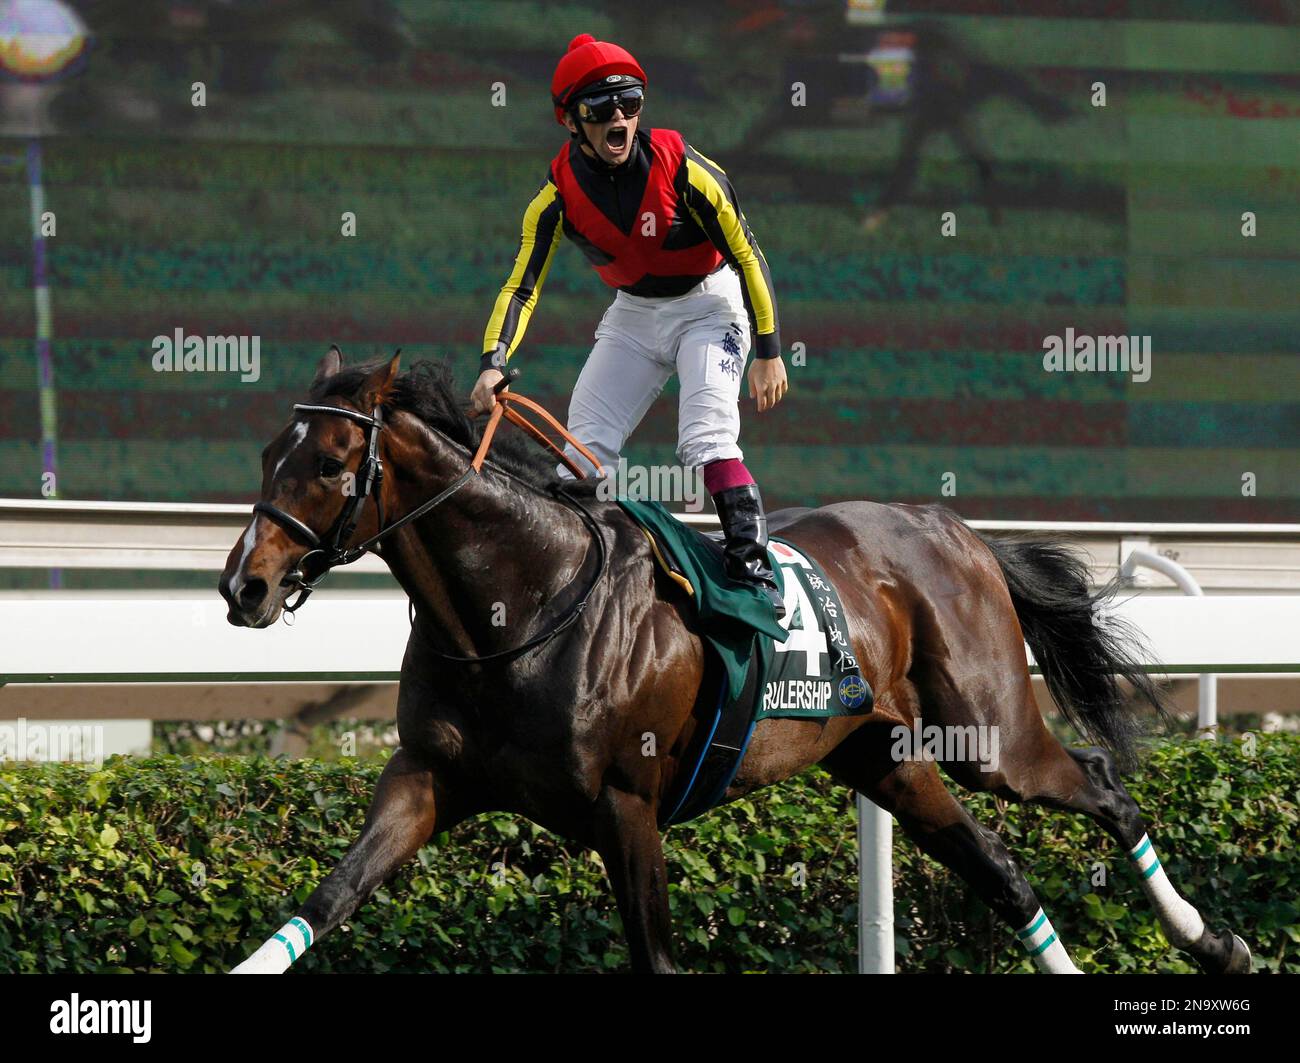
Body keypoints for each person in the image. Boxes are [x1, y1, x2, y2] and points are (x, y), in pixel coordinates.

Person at [469, 34, 789, 617]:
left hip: (710, 306)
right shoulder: (555, 196)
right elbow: (522, 284)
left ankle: (753, 572)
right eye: (600, 107)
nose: (619, 116)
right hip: (634, 315)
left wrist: (768, 348)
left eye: (631, 100)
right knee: (581, 457)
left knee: (705, 439)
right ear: (571, 121)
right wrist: (493, 362)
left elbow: (747, 255)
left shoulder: (686, 169)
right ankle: (590, 580)